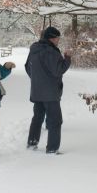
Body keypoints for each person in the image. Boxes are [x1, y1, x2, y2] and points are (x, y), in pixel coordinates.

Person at [25, 26, 71, 154]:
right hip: (50, 93)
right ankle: (52, 148)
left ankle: (32, 143)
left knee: (37, 118)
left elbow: (28, 68)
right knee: (55, 120)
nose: (58, 41)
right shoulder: (51, 52)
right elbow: (59, 70)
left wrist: (37, 80)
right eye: (57, 38)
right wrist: (67, 58)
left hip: (37, 91)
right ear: (52, 38)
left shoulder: (34, 49)